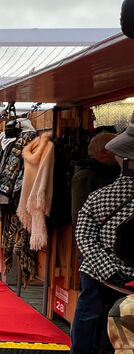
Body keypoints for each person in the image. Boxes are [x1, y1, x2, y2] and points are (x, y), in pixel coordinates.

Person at [71, 112, 134, 354]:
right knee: (119, 324)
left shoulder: (100, 195)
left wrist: (108, 268)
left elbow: (83, 231)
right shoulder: (89, 178)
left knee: (93, 315)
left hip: (97, 267)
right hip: (114, 273)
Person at [71, 133, 119, 226]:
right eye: (117, 148)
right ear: (104, 152)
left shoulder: (113, 171)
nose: (120, 152)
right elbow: (79, 217)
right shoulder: (85, 176)